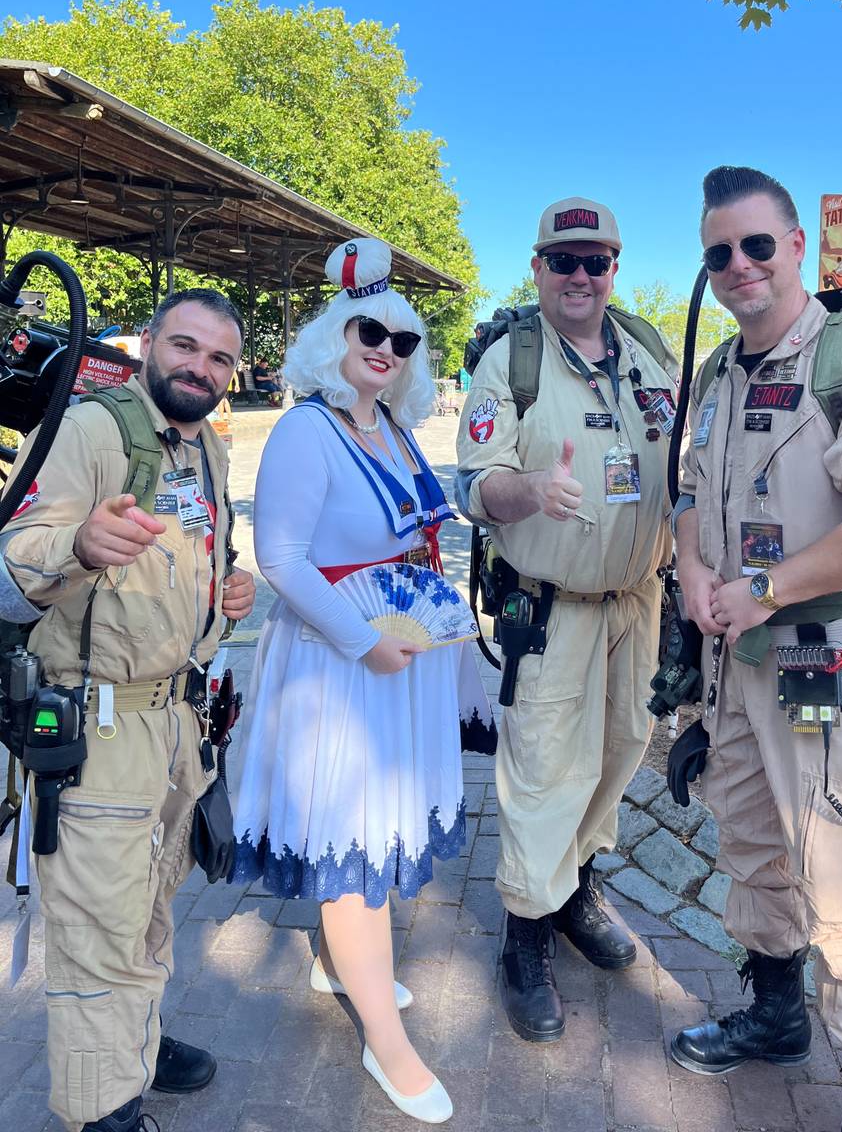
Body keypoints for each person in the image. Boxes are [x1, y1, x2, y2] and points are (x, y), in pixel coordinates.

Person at [671, 167, 842, 1132]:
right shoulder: (718, 372)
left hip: (823, 661)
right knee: (753, 845)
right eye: (719, 252)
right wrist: (691, 572)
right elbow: (689, 490)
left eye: (757, 244)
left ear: (796, 246)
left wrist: (763, 590)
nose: (739, 265)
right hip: (733, 665)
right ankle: (777, 1013)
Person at [231, 237, 494, 1125]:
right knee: (355, 836)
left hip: (395, 656)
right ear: (333, 339)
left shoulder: (392, 428)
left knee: (375, 815)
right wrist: (362, 640)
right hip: (337, 660)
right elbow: (280, 559)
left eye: (402, 339)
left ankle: (339, 963)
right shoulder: (306, 429)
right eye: (368, 333)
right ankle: (388, 1042)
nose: (386, 349)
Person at [0, 288, 256, 1132]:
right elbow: (8, 567)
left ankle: (133, 1045)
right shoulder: (88, 429)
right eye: (185, 346)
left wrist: (226, 593)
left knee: (147, 904)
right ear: (149, 343)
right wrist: (75, 545)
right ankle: (103, 1108)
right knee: (96, 933)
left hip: (175, 723)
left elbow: (188, 556)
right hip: (98, 725)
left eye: (219, 358)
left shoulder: (205, 445)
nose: (200, 368)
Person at [455, 197, 677, 1042]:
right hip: (548, 606)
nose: (581, 275)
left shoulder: (649, 349)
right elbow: (475, 485)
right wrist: (530, 490)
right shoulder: (510, 361)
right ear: (538, 267)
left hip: (639, 602)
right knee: (546, 768)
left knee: (620, 750)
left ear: (614, 268)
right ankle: (525, 936)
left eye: (596, 261)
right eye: (564, 260)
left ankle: (577, 891)